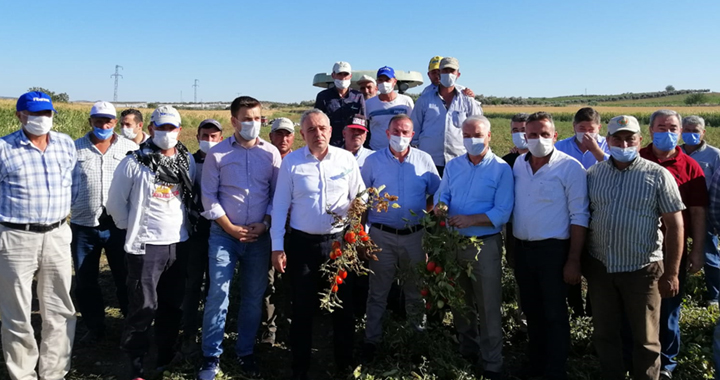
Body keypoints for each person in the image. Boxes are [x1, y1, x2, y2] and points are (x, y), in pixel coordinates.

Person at [585, 115, 686, 380]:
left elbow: (675, 226)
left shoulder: (658, 175)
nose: (624, 143)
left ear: (640, 140)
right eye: (617, 138)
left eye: (630, 138)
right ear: (607, 141)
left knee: (646, 339)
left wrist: (672, 273)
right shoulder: (594, 174)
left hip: (642, 268)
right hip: (601, 267)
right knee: (606, 333)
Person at [271, 109, 365, 379]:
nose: (318, 133)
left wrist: (358, 226)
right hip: (302, 246)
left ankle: (343, 362)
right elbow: (279, 206)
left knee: (342, 306)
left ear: (331, 131)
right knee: (302, 307)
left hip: (338, 244)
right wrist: (278, 246)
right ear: (302, 134)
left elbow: (360, 197)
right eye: (311, 130)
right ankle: (300, 365)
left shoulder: (345, 159)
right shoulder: (293, 164)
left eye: (322, 128)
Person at [107, 105, 196, 379]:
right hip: (145, 247)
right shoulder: (134, 163)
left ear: (180, 130)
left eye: (172, 128)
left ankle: (165, 355)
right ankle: (136, 364)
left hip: (178, 245)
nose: (166, 133)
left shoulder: (187, 161)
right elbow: (115, 204)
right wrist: (129, 228)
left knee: (172, 306)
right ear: (151, 129)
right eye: (161, 127)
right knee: (143, 308)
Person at [197, 97, 281, 379]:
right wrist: (231, 228)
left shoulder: (270, 154)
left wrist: (266, 222)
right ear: (233, 121)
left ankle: (245, 351)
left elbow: (275, 196)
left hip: (259, 237)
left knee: (253, 296)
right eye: (247, 119)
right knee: (218, 294)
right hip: (224, 235)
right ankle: (211, 355)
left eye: (257, 118)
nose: (253, 124)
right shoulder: (217, 155)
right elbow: (208, 196)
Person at [0, 91, 77, 380]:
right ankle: (22, 373)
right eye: (33, 114)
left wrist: (61, 218)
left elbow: (74, 185)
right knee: (17, 311)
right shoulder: (4, 148)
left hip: (57, 233)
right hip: (16, 237)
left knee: (59, 308)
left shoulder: (65, 145)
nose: (40, 119)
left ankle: (53, 372)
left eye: (46, 114)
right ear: (20, 115)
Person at [511, 112, 589, 380]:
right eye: (533, 135)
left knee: (555, 313)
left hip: (554, 252)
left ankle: (555, 370)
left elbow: (579, 215)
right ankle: (535, 363)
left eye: (545, 134)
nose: (539, 139)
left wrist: (574, 259)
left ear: (555, 136)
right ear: (525, 137)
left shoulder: (570, 168)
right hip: (522, 250)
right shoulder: (518, 165)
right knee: (532, 310)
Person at [435, 116, 513, 380]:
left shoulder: (501, 169)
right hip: (454, 242)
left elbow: (502, 212)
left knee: (488, 305)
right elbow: (443, 194)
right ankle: (468, 349)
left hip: (484, 246)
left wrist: (471, 219)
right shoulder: (454, 165)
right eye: (467, 135)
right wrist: (441, 206)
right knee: (461, 300)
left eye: (477, 135)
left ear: (489, 136)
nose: (472, 140)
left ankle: (493, 363)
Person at [361, 114, 440, 360]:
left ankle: (417, 340)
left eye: (406, 132)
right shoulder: (373, 162)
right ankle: (371, 341)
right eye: (396, 131)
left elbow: (437, 195)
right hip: (381, 235)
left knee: (416, 291)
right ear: (387, 133)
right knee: (377, 292)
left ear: (412, 135)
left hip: (414, 236)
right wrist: (362, 236)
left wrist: (424, 214)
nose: (401, 136)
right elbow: (362, 201)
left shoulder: (424, 160)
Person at [639, 109, 707, 379]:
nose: (666, 132)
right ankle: (638, 356)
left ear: (679, 131)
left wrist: (698, 250)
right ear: (650, 130)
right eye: (661, 127)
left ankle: (666, 362)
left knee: (669, 307)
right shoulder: (637, 157)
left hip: (672, 250)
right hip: (639, 250)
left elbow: (698, 213)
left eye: (672, 128)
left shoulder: (690, 166)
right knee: (639, 308)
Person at [71, 101, 138, 345]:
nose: (103, 125)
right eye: (98, 120)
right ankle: (95, 327)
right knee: (85, 280)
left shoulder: (130, 148)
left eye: (108, 120)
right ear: (91, 121)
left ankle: (129, 327)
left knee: (125, 277)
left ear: (114, 122)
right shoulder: (74, 148)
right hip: (83, 224)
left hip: (118, 225)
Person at [554, 107, 609, 317]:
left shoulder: (607, 145)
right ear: (573, 127)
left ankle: (594, 310)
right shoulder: (561, 146)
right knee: (570, 257)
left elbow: (617, 167)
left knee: (595, 263)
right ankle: (574, 307)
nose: (586, 132)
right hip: (568, 211)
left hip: (600, 211)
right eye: (581, 128)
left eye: (591, 128)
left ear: (599, 128)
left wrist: (595, 150)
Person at [180, 119, 224, 355]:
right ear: (197, 137)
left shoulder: (225, 161)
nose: (209, 140)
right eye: (205, 135)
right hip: (196, 233)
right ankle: (188, 332)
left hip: (221, 231)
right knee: (193, 283)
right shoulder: (190, 162)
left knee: (215, 286)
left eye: (214, 136)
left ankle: (211, 330)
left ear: (221, 137)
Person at [411, 57, 483, 176]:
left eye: (452, 71)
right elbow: (415, 129)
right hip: (430, 161)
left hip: (459, 159)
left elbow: (478, 127)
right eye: (445, 71)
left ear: (458, 74)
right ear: (439, 73)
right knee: (431, 194)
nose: (448, 74)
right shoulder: (424, 99)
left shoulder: (467, 100)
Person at [262, 116, 296, 345]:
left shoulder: (297, 161)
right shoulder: (263, 160)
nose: (283, 138)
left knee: (294, 280)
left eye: (287, 134)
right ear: (270, 136)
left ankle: (292, 323)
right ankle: (269, 328)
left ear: (294, 137)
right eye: (279, 134)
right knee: (268, 280)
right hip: (269, 228)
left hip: (295, 229)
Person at [680, 115, 720, 306]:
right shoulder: (674, 153)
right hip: (676, 213)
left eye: (695, 131)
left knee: (709, 253)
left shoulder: (715, 155)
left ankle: (715, 294)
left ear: (703, 132)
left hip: (704, 214)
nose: (690, 134)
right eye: (686, 130)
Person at [501, 112, 530, 332]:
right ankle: (523, 319)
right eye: (515, 131)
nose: (520, 135)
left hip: (541, 228)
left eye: (523, 130)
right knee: (518, 270)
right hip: (513, 226)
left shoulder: (544, 158)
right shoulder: (507, 161)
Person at [314, 61, 366, 147]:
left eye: (345, 74)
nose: (343, 78)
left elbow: (363, 121)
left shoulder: (358, 96)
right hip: (331, 143)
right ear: (333, 75)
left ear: (350, 76)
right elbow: (318, 121)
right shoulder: (323, 96)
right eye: (339, 74)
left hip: (351, 144)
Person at [366, 66, 414, 151]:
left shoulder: (406, 101)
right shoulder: (369, 103)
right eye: (381, 80)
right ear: (377, 82)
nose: (384, 83)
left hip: (400, 151)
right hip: (376, 150)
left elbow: (413, 125)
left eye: (387, 80)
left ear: (394, 81)